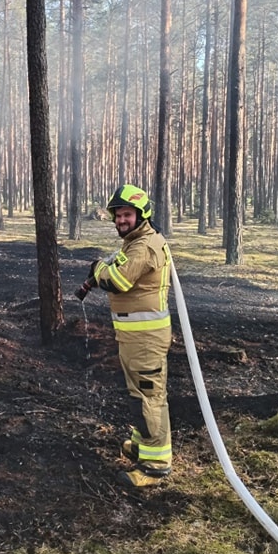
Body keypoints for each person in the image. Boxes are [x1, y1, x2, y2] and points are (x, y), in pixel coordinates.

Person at [80, 184, 174, 489]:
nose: (121, 220)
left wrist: (97, 268)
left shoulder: (144, 246)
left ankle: (156, 465)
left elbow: (117, 280)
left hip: (146, 338)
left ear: (141, 215)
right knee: (140, 395)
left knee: (149, 399)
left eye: (127, 214)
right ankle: (141, 445)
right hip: (136, 337)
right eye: (118, 215)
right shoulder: (136, 243)